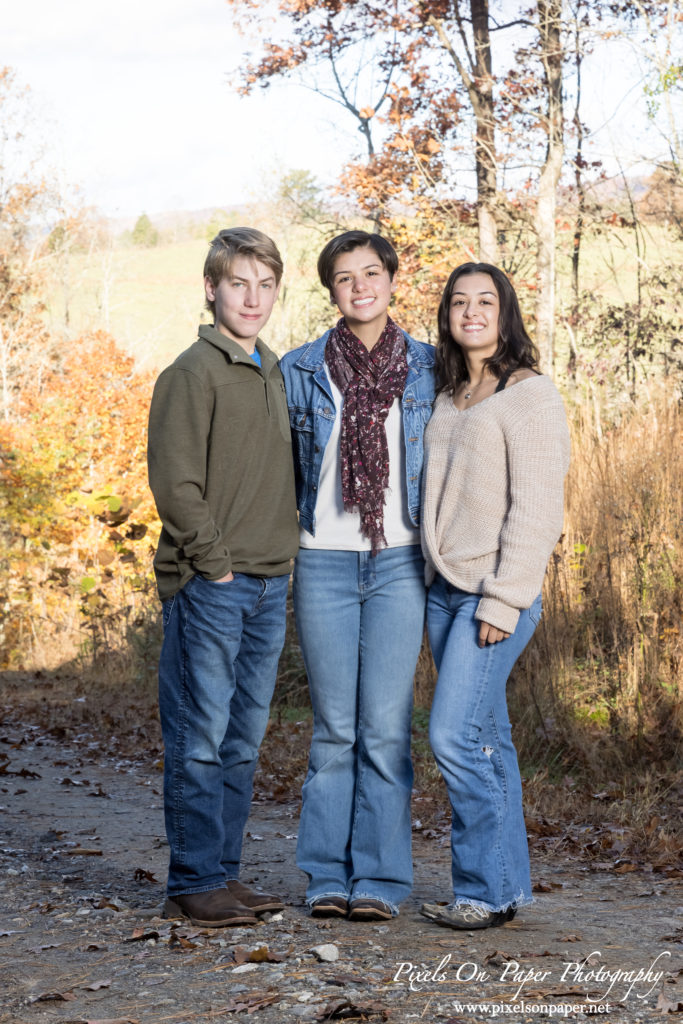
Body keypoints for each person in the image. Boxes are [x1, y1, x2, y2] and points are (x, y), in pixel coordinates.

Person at [279, 231, 435, 922]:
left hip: (400, 562)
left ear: (393, 279)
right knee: (334, 728)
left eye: (371, 272)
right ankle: (324, 874)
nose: (360, 286)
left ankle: (378, 877)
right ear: (331, 292)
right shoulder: (299, 369)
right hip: (323, 563)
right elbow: (278, 468)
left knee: (384, 728)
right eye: (344, 278)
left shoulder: (431, 368)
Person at [147, 227, 299, 928]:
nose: (252, 297)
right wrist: (216, 563)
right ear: (211, 289)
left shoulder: (270, 365)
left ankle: (223, 875)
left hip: (271, 581)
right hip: (214, 584)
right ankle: (193, 880)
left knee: (241, 739)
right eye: (238, 283)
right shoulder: (192, 371)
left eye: (265, 285)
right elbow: (176, 486)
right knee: (200, 737)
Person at [419, 262, 570, 930]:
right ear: (447, 315)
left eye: (485, 301)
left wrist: (505, 597)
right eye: (459, 301)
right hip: (441, 590)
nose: (471, 311)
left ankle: (478, 890)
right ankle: (507, 888)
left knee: (451, 735)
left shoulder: (530, 395)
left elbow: (537, 507)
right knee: (488, 740)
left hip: (493, 594)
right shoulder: (448, 393)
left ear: (504, 313)